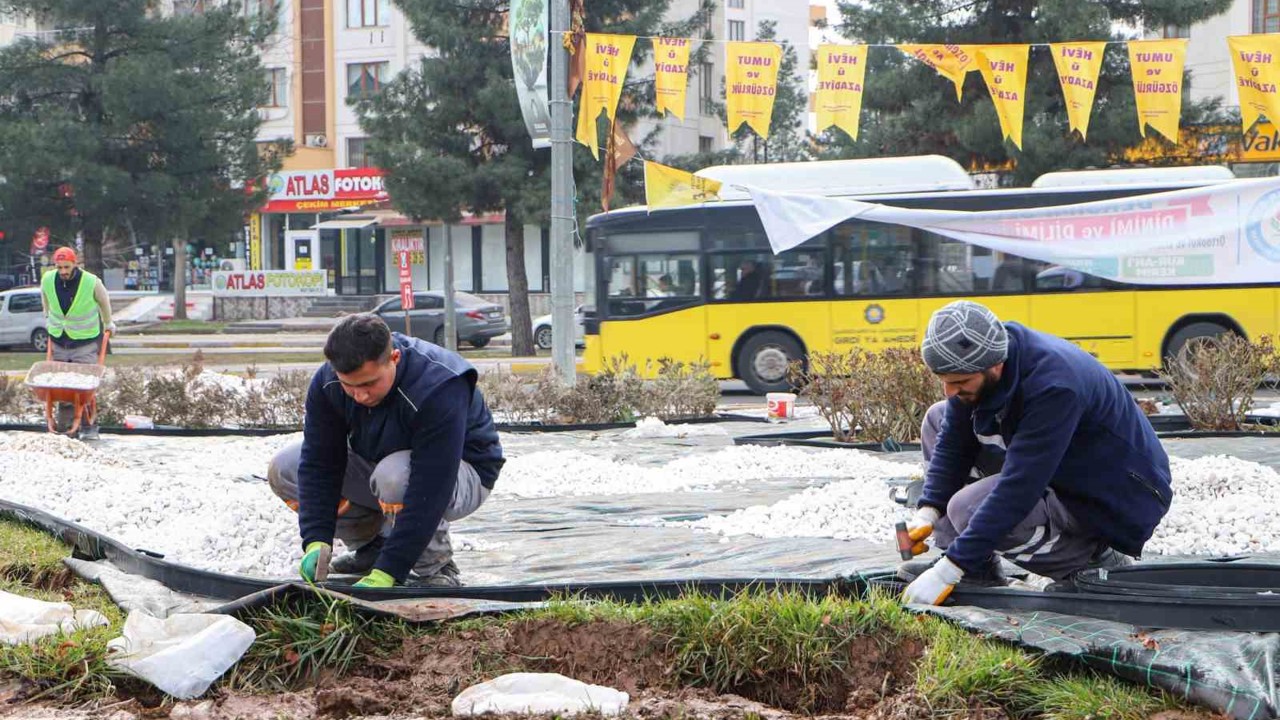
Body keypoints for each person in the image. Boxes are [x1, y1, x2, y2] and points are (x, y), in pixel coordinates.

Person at [900, 300, 1172, 605]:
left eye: (960, 382)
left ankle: (1092, 562)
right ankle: (976, 569)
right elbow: (954, 439)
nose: (951, 391)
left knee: (969, 508)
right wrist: (929, 510)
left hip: (1118, 492)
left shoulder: (1054, 386)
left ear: (995, 365)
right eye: (945, 381)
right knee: (938, 419)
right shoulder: (993, 355)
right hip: (1063, 466)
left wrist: (948, 573)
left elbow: (1019, 489)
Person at [268, 313, 505, 588]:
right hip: (382, 465)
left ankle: (436, 568)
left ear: (394, 358)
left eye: (369, 383)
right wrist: (315, 539)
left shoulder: (439, 386)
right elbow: (320, 463)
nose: (360, 396)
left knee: (395, 476)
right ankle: (372, 549)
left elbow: (432, 483)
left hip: (462, 474)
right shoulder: (327, 383)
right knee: (286, 468)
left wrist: (391, 570)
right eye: (350, 385)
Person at [39, 247, 115, 438]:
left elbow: (104, 301)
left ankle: (89, 426)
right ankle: (65, 429)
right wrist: (47, 316)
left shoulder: (91, 282)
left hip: (85, 343)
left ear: (75, 264)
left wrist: (108, 322)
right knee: (62, 388)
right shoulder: (48, 279)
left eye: (67, 266)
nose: (63, 271)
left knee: (83, 388)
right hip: (59, 340)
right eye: (59, 267)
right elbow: (45, 298)